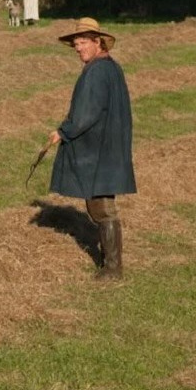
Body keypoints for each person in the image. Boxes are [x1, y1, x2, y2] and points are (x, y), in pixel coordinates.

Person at [46, 17, 136, 280]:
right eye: (75, 43)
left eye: (83, 42)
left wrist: (64, 131)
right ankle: (111, 265)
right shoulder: (110, 67)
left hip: (100, 150)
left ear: (98, 42)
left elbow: (88, 111)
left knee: (101, 207)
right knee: (100, 204)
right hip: (107, 147)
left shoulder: (98, 71)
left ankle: (112, 269)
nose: (77, 48)